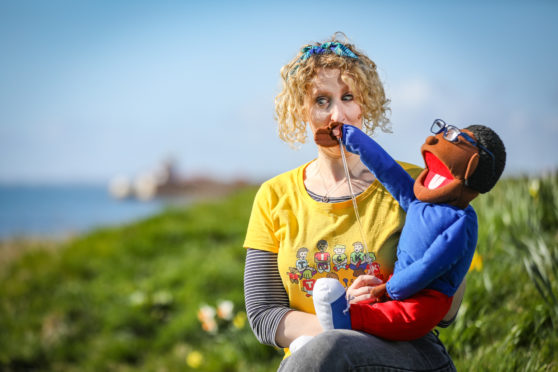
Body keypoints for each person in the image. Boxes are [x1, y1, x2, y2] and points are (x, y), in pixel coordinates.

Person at [243, 34, 464, 371]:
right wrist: (343, 322)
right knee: (320, 353)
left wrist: (455, 228)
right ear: (300, 110)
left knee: (324, 353)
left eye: (348, 97)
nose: (338, 114)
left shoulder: (415, 186)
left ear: (366, 103)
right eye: (321, 100)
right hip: (312, 360)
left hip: (407, 353)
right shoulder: (274, 196)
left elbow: (445, 312)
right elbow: (264, 315)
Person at [312, 120, 506, 341]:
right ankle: (331, 330)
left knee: (406, 316)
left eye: (454, 137)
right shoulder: (419, 201)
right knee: (376, 305)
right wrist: (349, 136)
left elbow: (430, 266)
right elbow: (387, 170)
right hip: (396, 284)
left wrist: (389, 289)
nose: (435, 138)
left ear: (473, 163)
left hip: (427, 298)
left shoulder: (461, 223)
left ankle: (346, 319)